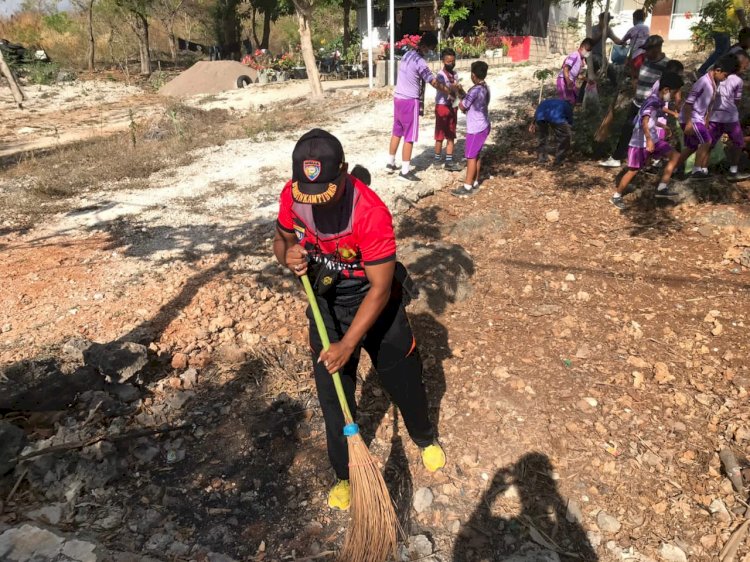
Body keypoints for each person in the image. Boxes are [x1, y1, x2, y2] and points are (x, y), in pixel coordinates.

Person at [274, 129, 446, 511]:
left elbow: (381, 288)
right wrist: (287, 257)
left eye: (326, 193)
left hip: (374, 304)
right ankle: (345, 474)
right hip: (326, 306)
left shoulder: (370, 212)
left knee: (404, 382)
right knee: (334, 398)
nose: (315, 204)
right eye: (307, 194)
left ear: (344, 173)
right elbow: (281, 238)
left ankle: (424, 437)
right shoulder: (292, 195)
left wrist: (349, 343)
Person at [387, 32, 456, 182]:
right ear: (424, 46)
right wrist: (449, 90)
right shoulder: (420, 62)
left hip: (398, 97)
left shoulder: (407, 54)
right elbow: (433, 82)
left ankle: (390, 163)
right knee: (409, 136)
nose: (430, 52)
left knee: (397, 131)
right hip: (410, 101)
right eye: (430, 49)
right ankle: (405, 171)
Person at [610, 72, 685, 209]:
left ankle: (662, 187)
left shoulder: (657, 100)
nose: (674, 96)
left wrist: (663, 125)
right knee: (633, 170)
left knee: (675, 156)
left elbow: (653, 119)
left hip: (653, 139)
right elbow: (644, 121)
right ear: (666, 90)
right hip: (640, 142)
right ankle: (616, 196)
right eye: (674, 92)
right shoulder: (651, 101)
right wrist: (649, 140)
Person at [599, 35, 670, 168]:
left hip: (651, 107)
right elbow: (636, 72)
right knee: (627, 129)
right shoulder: (646, 61)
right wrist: (635, 81)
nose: (646, 53)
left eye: (648, 50)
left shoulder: (666, 65)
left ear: (657, 48)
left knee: (651, 132)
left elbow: (668, 89)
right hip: (637, 103)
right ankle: (617, 157)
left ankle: (654, 159)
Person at [680, 54, 738, 179]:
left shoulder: (713, 83)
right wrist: (689, 122)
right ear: (717, 70)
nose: (724, 79)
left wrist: (706, 120)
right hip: (692, 118)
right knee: (707, 140)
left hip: (698, 118)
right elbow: (688, 103)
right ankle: (696, 170)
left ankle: (674, 168)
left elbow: (709, 104)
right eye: (725, 75)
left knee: (691, 147)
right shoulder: (703, 82)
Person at [709, 51, 750, 181]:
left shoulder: (716, 76)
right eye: (746, 64)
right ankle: (733, 171)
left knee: (709, 143)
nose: (747, 67)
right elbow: (736, 101)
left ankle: (701, 169)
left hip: (714, 116)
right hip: (730, 117)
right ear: (739, 64)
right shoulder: (738, 81)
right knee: (738, 142)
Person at [452, 61, 490, 198]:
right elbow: (470, 100)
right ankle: (474, 182)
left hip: (475, 128)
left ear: (473, 75)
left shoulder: (475, 90)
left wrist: (455, 95)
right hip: (484, 124)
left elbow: (463, 107)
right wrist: (462, 92)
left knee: (470, 156)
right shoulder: (485, 87)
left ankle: (467, 186)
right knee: (477, 154)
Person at [434, 47, 465, 172]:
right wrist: (452, 88)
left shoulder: (455, 74)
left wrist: (459, 89)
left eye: (453, 61)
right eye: (448, 62)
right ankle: (437, 159)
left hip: (453, 106)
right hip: (442, 106)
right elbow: (443, 88)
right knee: (440, 133)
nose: (451, 64)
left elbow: (457, 91)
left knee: (451, 133)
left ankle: (449, 160)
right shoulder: (440, 75)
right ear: (443, 61)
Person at [697, 0, 746, 76]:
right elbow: (740, 12)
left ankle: (710, 73)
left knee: (722, 53)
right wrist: (745, 27)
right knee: (721, 54)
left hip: (718, 29)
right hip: (723, 30)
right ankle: (703, 72)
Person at [531, 98, 573, 165]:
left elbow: (537, 112)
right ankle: (559, 160)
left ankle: (542, 159)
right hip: (557, 118)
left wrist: (532, 123)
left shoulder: (546, 102)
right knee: (564, 137)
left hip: (540, 117)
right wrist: (569, 128)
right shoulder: (567, 105)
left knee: (542, 137)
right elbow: (569, 120)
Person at [557, 38, 593, 105]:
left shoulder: (580, 59)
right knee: (566, 101)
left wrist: (587, 80)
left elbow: (576, 74)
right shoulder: (575, 55)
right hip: (564, 80)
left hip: (570, 81)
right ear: (582, 47)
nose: (588, 53)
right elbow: (566, 68)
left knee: (573, 99)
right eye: (587, 50)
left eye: (589, 51)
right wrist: (568, 81)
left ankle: (569, 113)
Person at [621, 9, 651, 78]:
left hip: (636, 55)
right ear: (643, 19)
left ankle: (636, 87)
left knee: (635, 76)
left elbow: (622, 41)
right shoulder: (647, 28)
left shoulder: (633, 29)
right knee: (644, 74)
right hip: (646, 54)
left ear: (634, 19)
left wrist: (623, 43)